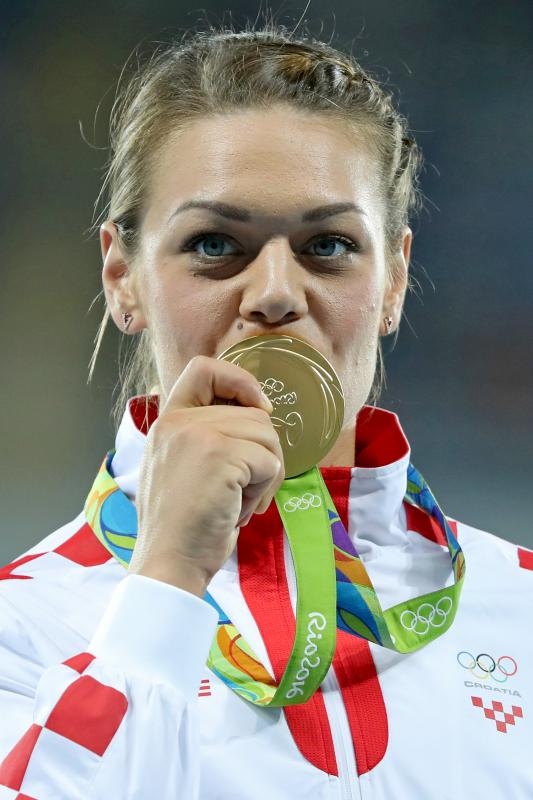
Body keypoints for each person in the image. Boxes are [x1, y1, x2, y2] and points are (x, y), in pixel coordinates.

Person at [0, 22, 532, 800]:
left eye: (328, 246)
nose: (276, 293)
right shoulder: (21, 626)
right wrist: (169, 575)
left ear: (392, 280)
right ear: (123, 276)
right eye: (215, 245)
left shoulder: (519, 608)